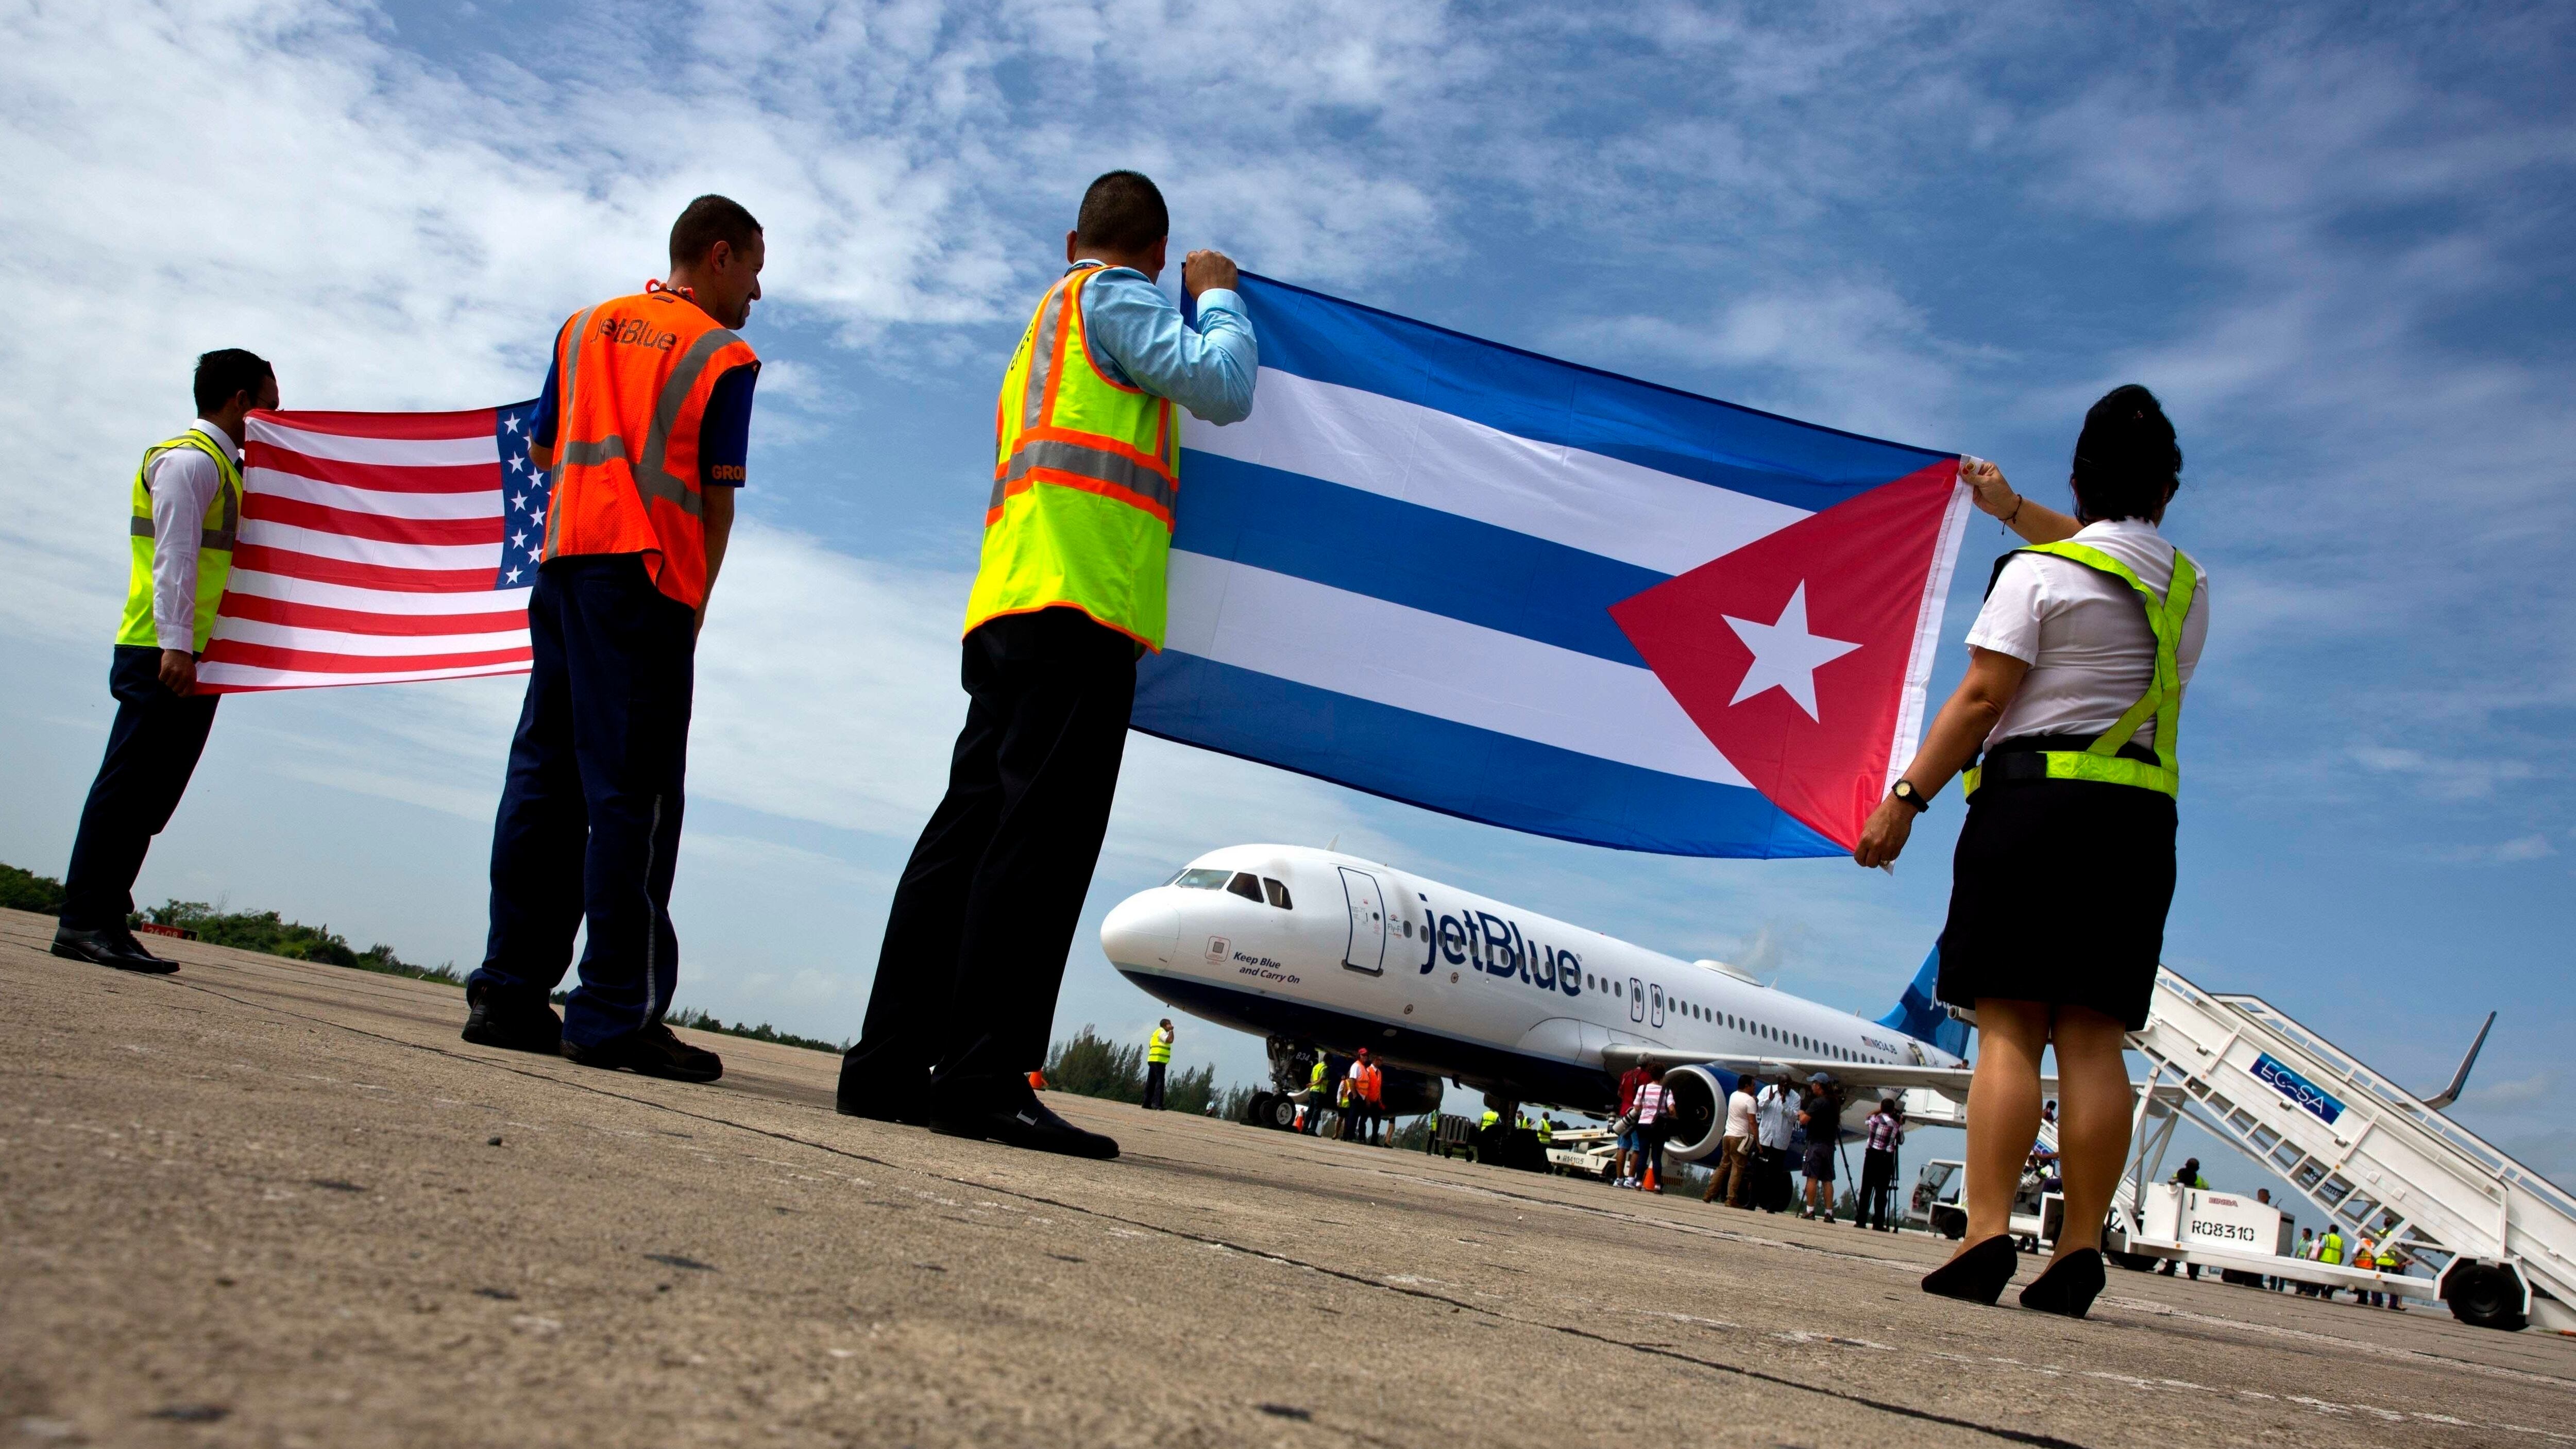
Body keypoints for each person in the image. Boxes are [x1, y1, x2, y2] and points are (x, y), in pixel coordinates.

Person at [834, 172, 1255, 1159]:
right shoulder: (1115, 299)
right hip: (1080, 602)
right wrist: (1219, 297)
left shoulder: (1043, 328)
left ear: (1073, 238)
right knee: (1039, 844)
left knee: (965, 836)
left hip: (1010, 599)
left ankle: (887, 1062)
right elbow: (1225, 388)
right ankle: (981, 1077)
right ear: (1156, 254)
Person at [1868, 386, 2210, 1321]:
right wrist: (2013, 508)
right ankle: (2079, 1248)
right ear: (2168, 492)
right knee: (2095, 1037)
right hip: (2138, 823)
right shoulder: (2188, 589)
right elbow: (2108, 551)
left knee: (2011, 1027)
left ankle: (1985, 1234)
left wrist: (1905, 799)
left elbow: (1983, 699)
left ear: (2079, 480)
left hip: (2033, 809)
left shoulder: (2037, 576)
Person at [460, 196, 764, 1084]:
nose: (755, 293)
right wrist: (694, 606)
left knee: (544, 778)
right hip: (647, 581)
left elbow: (543, 451)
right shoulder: (723, 354)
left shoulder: (583, 327)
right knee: (634, 797)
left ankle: (509, 991)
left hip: (564, 564)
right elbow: (715, 498)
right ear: (717, 256)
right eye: (752, 271)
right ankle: (613, 1012)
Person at [52, 351, 279, 973]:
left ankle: (106, 918)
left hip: (197, 655)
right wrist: (176, 646)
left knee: (152, 796)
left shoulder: (227, 469)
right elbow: (174, 559)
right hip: (163, 650)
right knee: (128, 787)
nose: (273, 420)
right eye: (269, 407)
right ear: (239, 401)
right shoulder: (190, 462)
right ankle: (83, 920)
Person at [1704, 1079, 1759, 1207]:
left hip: (1727, 1135)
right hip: (1739, 1138)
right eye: (1753, 1085)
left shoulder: (1734, 1095)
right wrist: (1757, 1140)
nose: (1754, 1088)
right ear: (1747, 1086)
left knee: (1723, 1166)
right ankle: (1731, 1198)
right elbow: (1752, 1122)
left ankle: (1709, 1194)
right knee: (1737, 1168)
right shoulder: (1750, 1101)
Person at [1858, 1098, 1905, 1232]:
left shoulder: (1874, 1120)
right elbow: (1901, 1141)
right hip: (1886, 1158)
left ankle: (1861, 1220)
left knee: (1866, 1189)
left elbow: (1868, 1116)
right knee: (1882, 1191)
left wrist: (1880, 1110)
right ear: (1893, 1110)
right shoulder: (1895, 1125)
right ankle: (1878, 1222)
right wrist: (1900, 1123)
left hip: (1871, 1155)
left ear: (1882, 1107)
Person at [1799, 1074, 1841, 1220]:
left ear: (1818, 1085)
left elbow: (1804, 1121)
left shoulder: (1817, 1103)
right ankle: (1829, 1213)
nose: (1812, 1087)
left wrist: (1801, 1113)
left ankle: (1810, 1210)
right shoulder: (1835, 1102)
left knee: (1812, 1178)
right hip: (1829, 1145)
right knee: (1827, 1180)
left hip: (1816, 1144)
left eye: (1813, 1084)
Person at [2158, 1159, 2210, 1278]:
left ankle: (2170, 1269)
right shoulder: (2201, 1181)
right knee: (2193, 1245)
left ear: (2186, 1165)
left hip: (2177, 1213)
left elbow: (2170, 1185)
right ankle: (2193, 1274)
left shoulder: (2178, 1175)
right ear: (2197, 1169)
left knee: (2174, 1243)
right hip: (2193, 1215)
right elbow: (2207, 1192)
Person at [1755, 1074, 1799, 1212]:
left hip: (1780, 1141)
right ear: (1779, 1084)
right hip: (1765, 1138)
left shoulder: (1796, 1098)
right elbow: (1757, 1108)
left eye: (1788, 1085)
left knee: (1775, 1175)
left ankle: (1771, 1205)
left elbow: (1793, 1117)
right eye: (1783, 1085)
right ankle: (1752, 1201)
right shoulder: (1767, 1090)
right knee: (1758, 1172)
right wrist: (1768, 1100)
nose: (1785, 1088)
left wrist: (1785, 1103)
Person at [1614, 1062, 1653, 1188]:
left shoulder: (1626, 1075)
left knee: (1622, 1147)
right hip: (1637, 1115)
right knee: (1638, 1148)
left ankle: (1619, 1179)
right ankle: (1630, 1179)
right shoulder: (1646, 1077)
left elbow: (1620, 1093)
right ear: (1648, 1065)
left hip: (1625, 1113)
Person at [1632, 1074, 1669, 1189]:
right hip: (1658, 1126)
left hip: (1644, 1124)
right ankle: (1657, 1185)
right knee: (1657, 1157)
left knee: (1643, 1154)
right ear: (1662, 1077)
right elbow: (1672, 1109)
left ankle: (1638, 1183)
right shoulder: (1667, 1091)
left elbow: (1637, 1107)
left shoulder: (1642, 1088)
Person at [1142, 1019, 1174, 1110]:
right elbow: (1169, 1040)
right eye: (1169, 1024)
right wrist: (1171, 1031)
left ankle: (1146, 1103)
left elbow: (1151, 1045)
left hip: (1153, 1059)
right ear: (1165, 1025)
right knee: (1160, 1081)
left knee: (1151, 1082)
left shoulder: (1156, 1032)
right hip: (1159, 1060)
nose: (1171, 1025)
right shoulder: (1162, 1032)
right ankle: (1158, 1104)